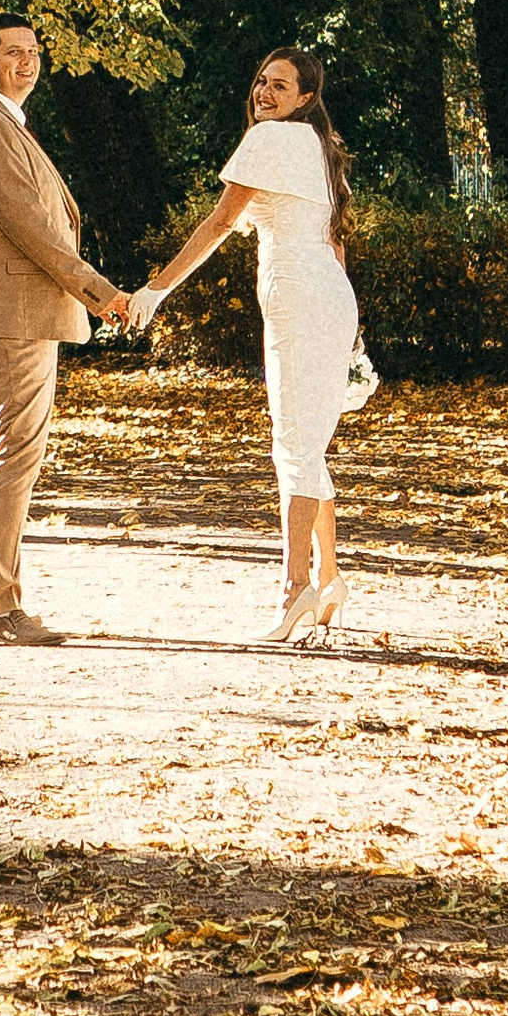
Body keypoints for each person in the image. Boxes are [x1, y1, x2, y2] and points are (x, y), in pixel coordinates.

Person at [138, 43, 360, 646]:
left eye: (280, 86)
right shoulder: (318, 146)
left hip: (299, 295)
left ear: (306, 98)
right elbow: (335, 242)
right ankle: (330, 578)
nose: (264, 93)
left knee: (294, 443)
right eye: (262, 81)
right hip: (330, 294)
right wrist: (351, 328)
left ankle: (296, 588)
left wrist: (157, 289)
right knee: (308, 440)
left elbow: (218, 223)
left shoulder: (270, 140)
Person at [0, 14, 136, 644]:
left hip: (5, 313)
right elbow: (37, 233)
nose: (26, 62)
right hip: (13, 317)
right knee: (12, 456)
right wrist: (102, 294)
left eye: (32, 52)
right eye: (12, 53)